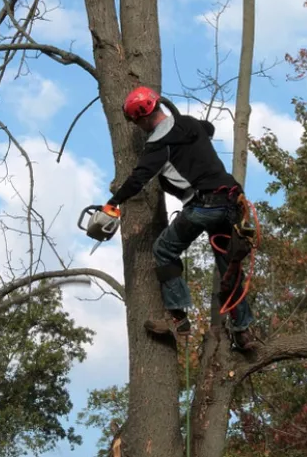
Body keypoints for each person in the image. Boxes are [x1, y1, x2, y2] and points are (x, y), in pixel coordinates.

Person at [107, 86, 255, 350]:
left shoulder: (158, 145)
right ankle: (244, 332)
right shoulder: (189, 124)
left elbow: (138, 179)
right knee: (228, 269)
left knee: (163, 250)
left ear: (141, 118)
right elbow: (207, 128)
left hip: (204, 206)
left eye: (136, 122)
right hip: (233, 204)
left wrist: (113, 203)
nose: (138, 127)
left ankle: (177, 319)